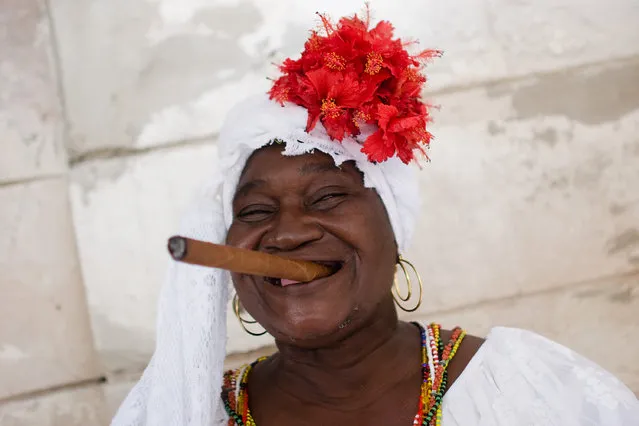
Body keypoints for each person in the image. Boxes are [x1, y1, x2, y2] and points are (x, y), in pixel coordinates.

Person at [112, 10, 639, 426]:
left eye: (327, 198)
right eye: (255, 210)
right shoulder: (184, 416)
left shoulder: (526, 391)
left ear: (393, 228)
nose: (290, 231)